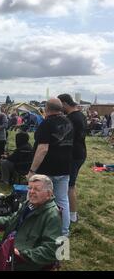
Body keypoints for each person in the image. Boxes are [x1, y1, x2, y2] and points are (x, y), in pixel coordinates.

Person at [0, 174, 62, 271]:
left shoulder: (52, 216)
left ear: (49, 194)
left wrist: (22, 254)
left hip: (24, 260)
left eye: (37, 189)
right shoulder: (29, 204)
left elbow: (51, 250)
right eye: (30, 188)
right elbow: (12, 220)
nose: (32, 192)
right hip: (9, 248)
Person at [26, 98, 73, 236]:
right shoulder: (68, 122)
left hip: (47, 169)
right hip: (65, 167)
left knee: (34, 198)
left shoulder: (47, 124)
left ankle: (31, 229)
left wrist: (32, 171)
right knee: (62, 200)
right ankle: (64, 232)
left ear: (46, 109)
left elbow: (43, 149)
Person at [58, 94, 87, 223]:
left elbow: (64, 137)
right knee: (70, 185)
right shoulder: (81, 115)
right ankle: (70, 212)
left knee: (69, 186)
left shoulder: (71, 118)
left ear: (64, 104)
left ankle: (72, 215)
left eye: (60, 106)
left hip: (73, 155)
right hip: (80, 152)